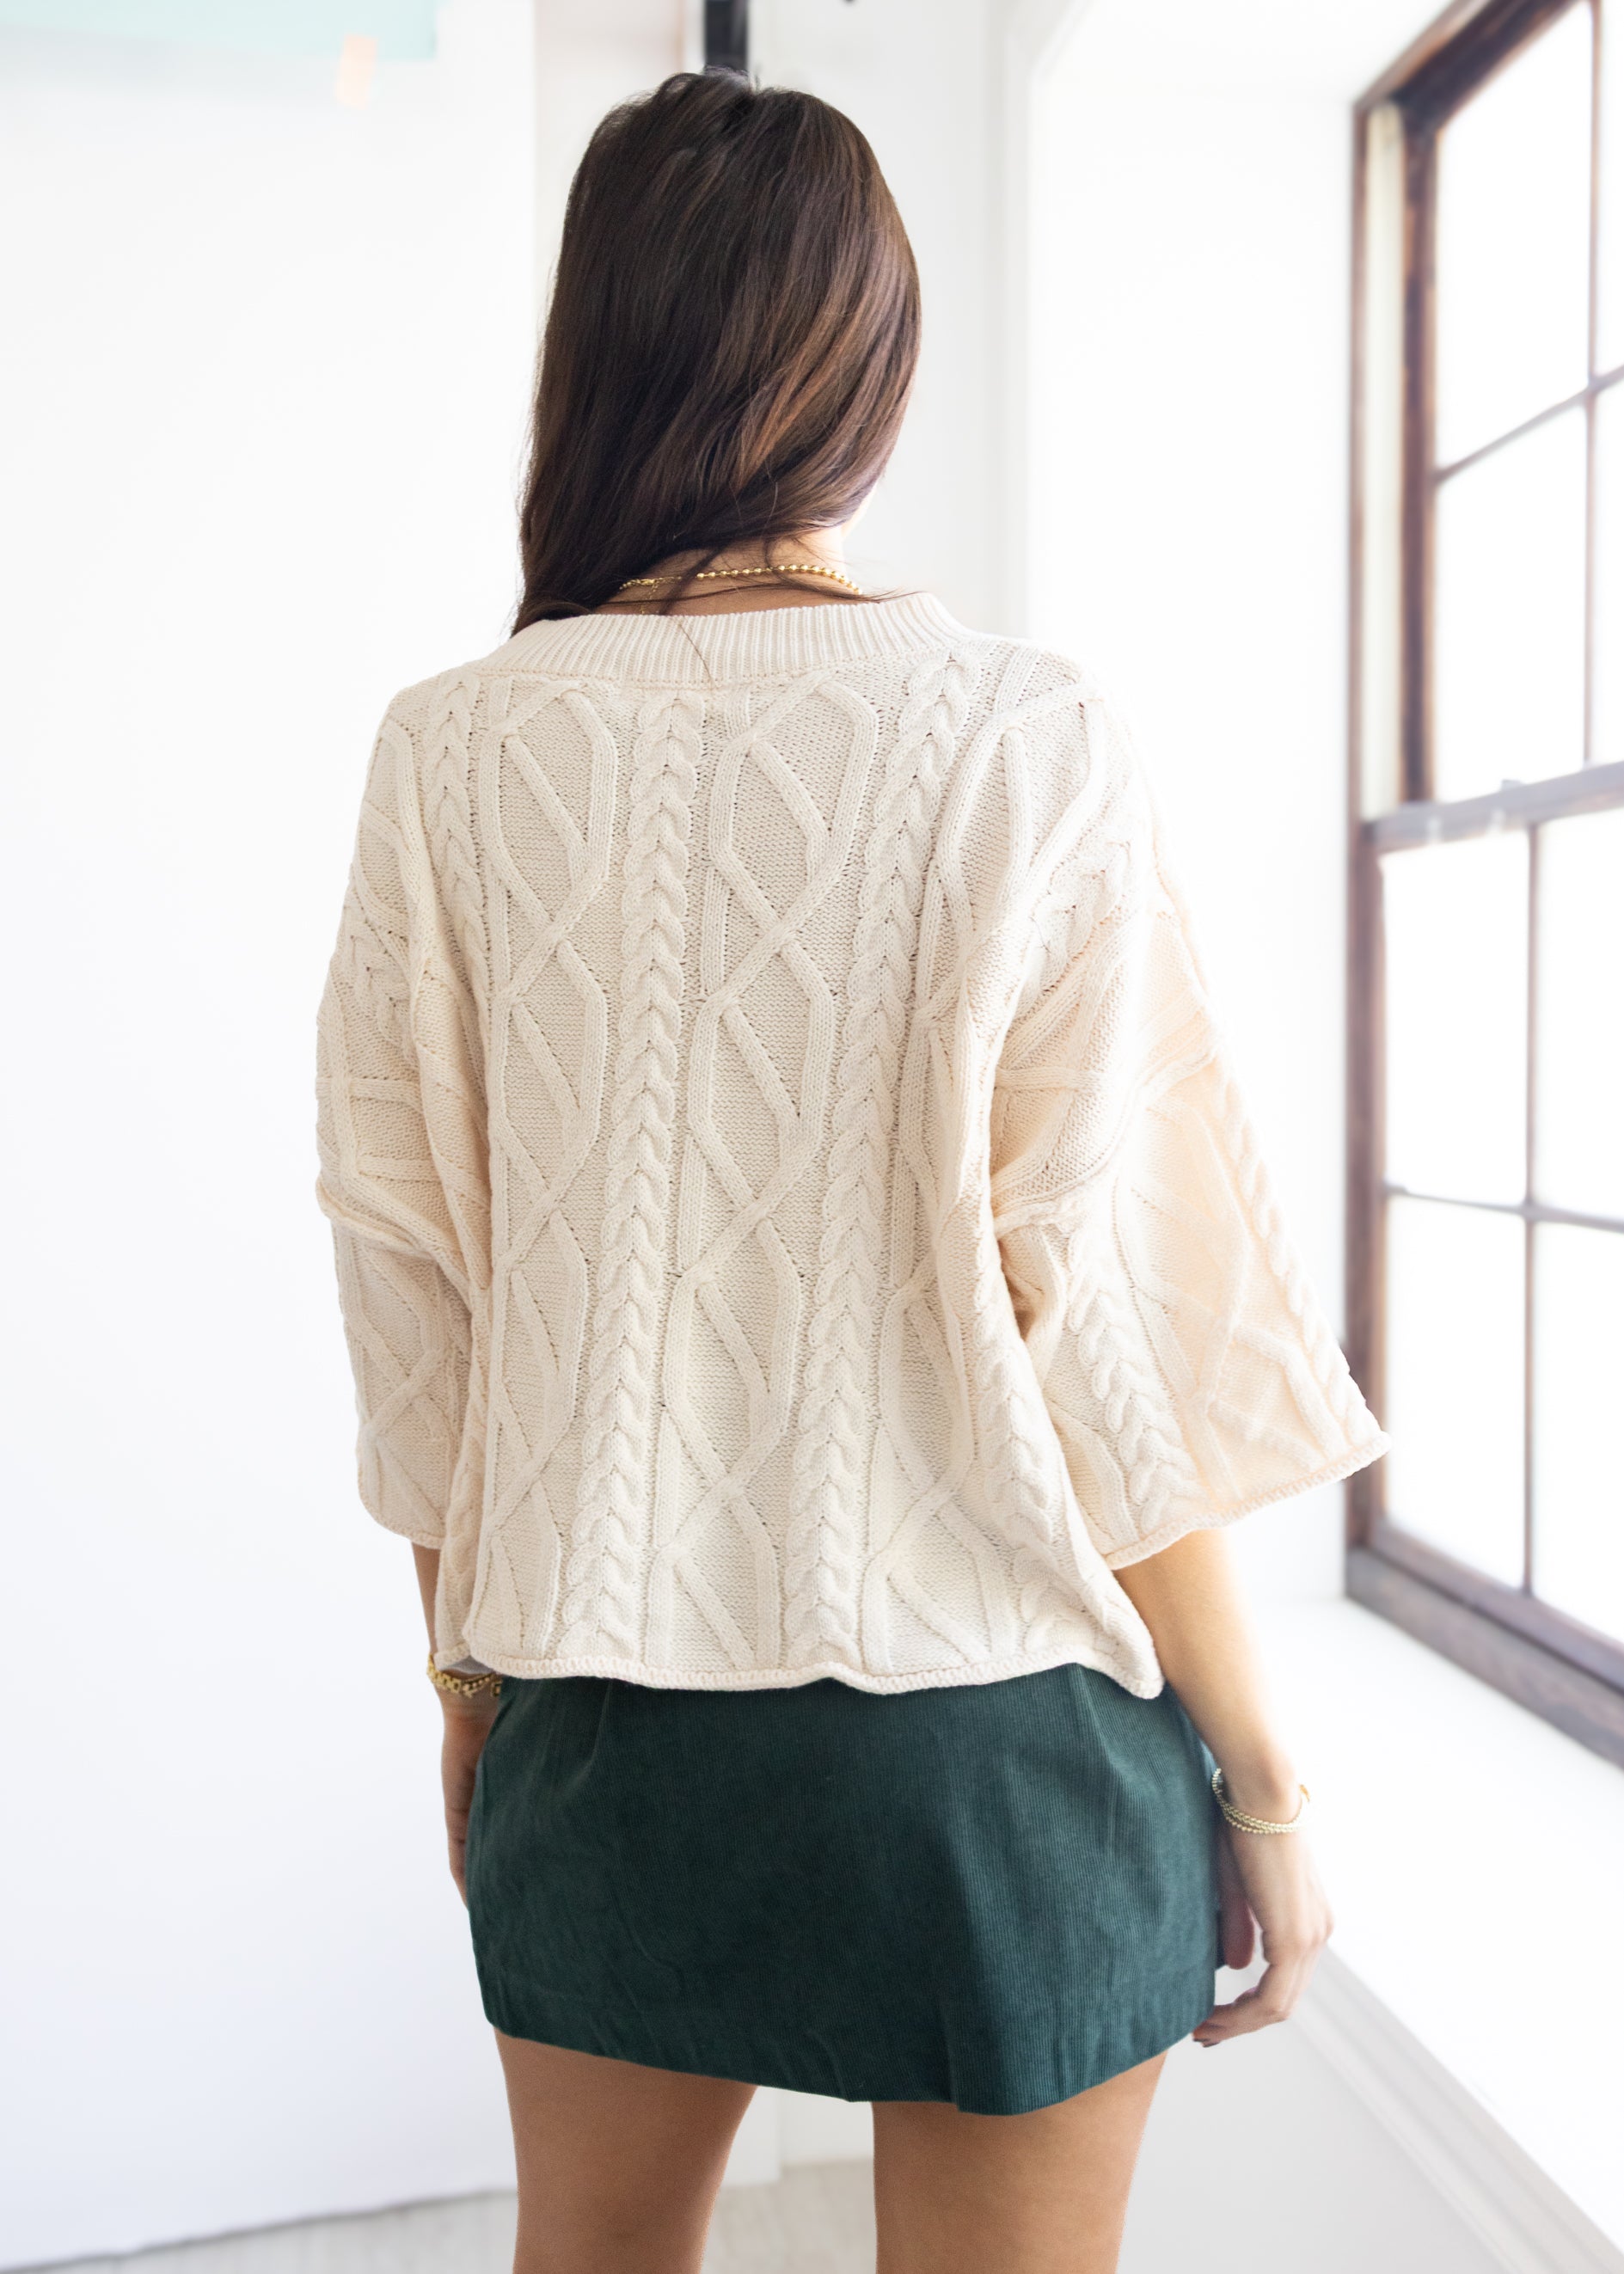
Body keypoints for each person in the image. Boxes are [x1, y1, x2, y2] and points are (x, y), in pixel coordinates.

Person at [315, 68, 1387, 2274]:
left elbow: (411, 1276)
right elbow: (1107, 1325)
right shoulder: (1022, 732)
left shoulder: (455, 749)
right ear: (869, 369)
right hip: (999, 1747)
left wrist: (470, 1689)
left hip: (604, 1720)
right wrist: (1267, 1783)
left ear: (594, 354)